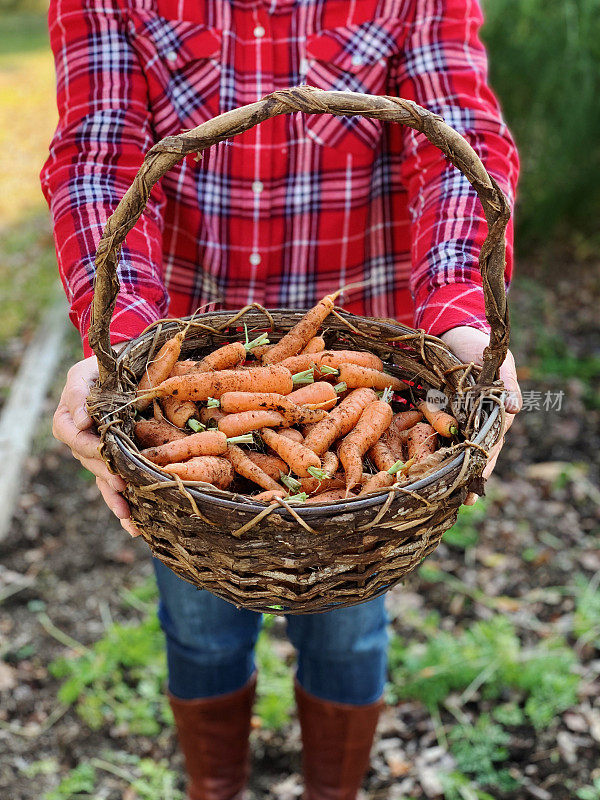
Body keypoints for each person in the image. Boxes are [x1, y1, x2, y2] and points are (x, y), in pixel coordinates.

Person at [43, 0, 522, 797]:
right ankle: (215, 787)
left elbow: (453, 137)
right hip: (180, 372)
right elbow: (100, 156)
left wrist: (462, 316)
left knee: (348, 628)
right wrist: (122, 346)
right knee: (198, 625)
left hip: (365, 358)